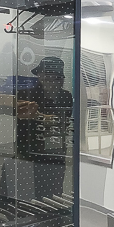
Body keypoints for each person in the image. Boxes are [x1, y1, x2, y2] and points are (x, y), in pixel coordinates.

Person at [16, 56, 73, 199]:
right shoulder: (25, 94)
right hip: (29, 152)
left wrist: (42, 117)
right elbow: (19, 116)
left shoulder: (66, 96)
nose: (46, 79)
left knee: (54, 191)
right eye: (44, 75)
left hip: (56, 153)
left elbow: (64, 121)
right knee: (27, 193)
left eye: (52, 76)